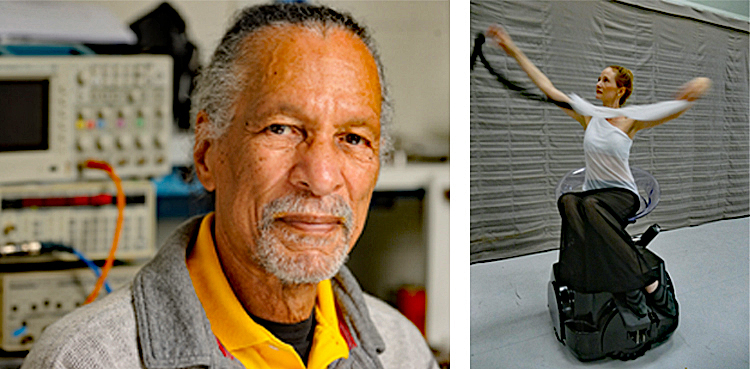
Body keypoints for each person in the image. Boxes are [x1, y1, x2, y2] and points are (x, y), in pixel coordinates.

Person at [22, 4, 438, 369]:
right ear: (206, 154)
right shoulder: (87, 359)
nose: (322, 177)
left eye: (352, 138)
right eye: (282, 128)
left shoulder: (402, 350)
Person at [485, 25, 710, 318]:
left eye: (606, 80)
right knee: (569, 201)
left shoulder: (631, 120)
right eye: (598, 78)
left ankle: (648, 282)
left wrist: (694, 90)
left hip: (621, 196)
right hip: (594, 197)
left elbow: (673, 109)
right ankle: (614, 279)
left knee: (588, 204)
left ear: (621, 89)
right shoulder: (588, 115)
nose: (599, 83)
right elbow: (547, 88)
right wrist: (512, 48)